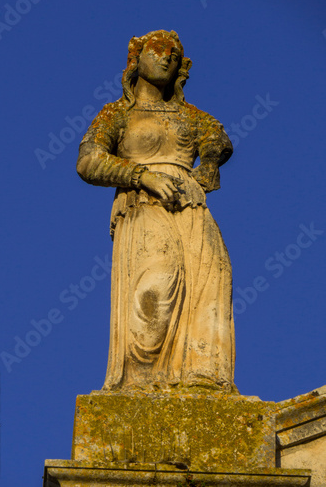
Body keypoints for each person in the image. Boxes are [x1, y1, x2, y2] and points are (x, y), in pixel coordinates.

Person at [77, 30, 237, 393]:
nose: (167, 57)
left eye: (175, 54)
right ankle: (140, 382)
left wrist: (210, 161)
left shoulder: (189, 115)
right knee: (155, 288)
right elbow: (88, 161)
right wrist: (141, 175)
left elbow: (218, 138)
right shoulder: (118, 114)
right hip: (143, 205)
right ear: (137, 60)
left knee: (209, 289)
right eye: (159, 50)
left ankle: (203, 381)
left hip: (193, 208)